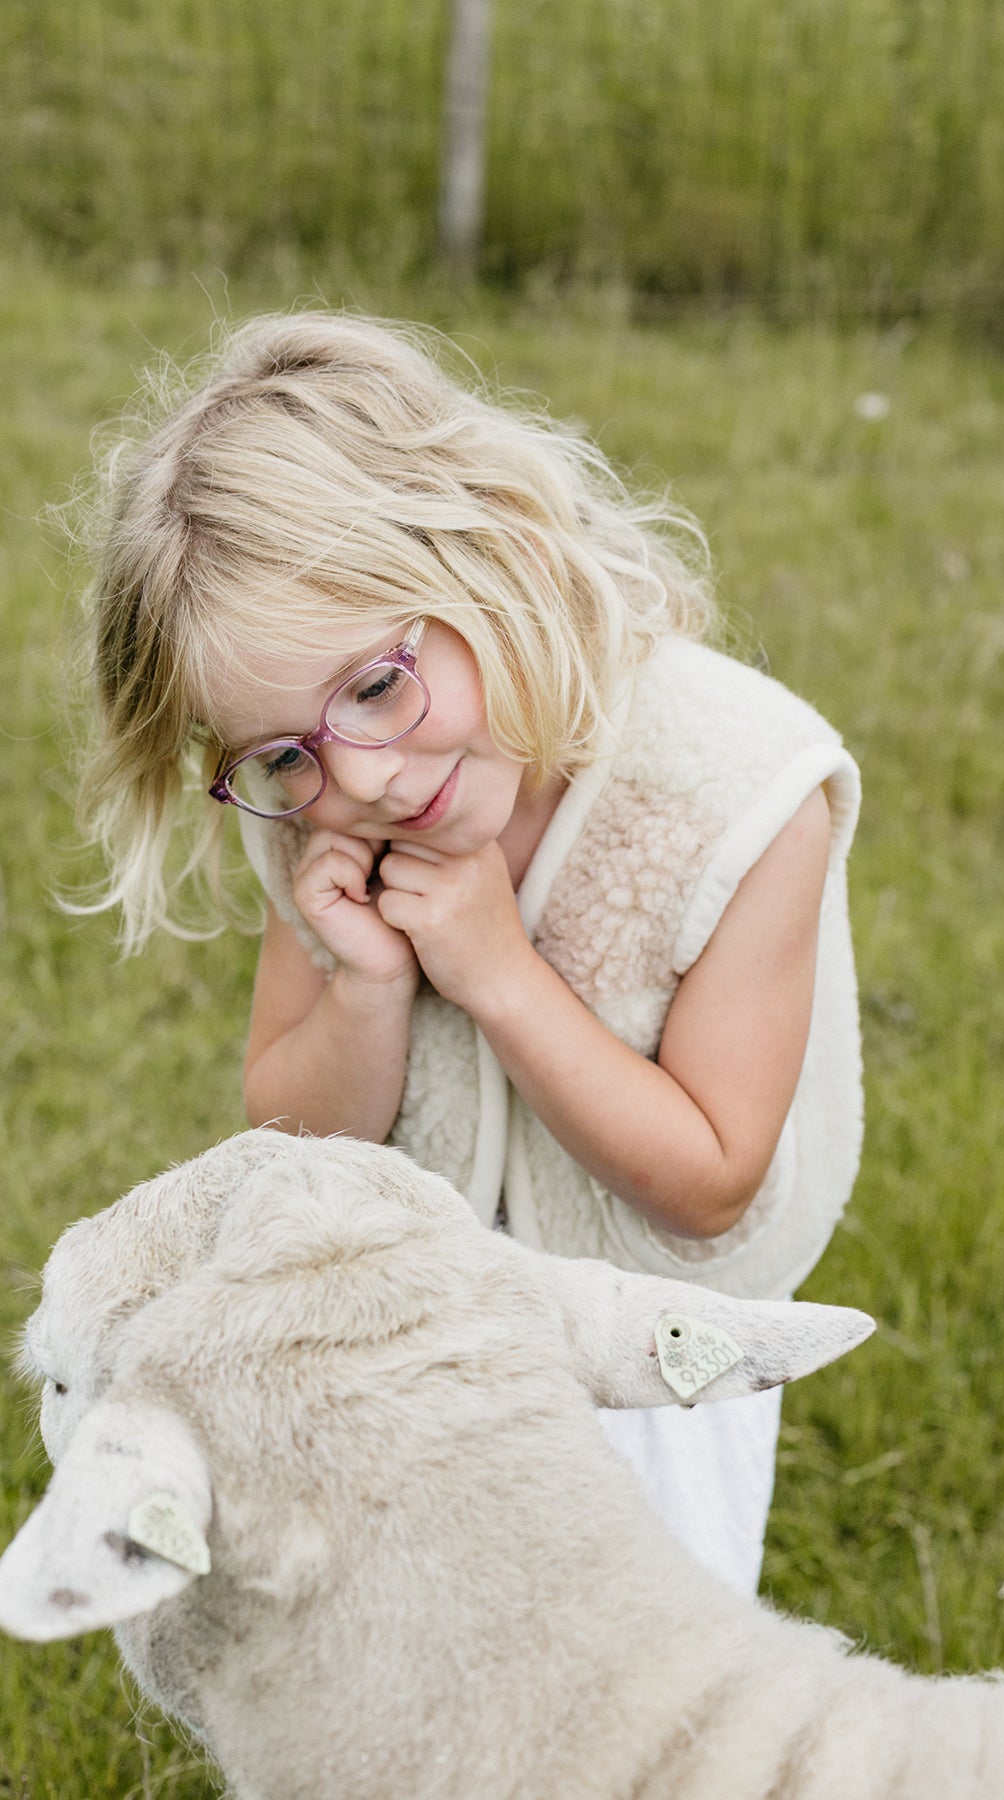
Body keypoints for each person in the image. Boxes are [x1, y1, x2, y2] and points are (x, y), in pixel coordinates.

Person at [74, 311, 863, 1597]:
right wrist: (367, 988)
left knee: (634, 1665)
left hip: (645, 1350)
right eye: (281, 757)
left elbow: (712, 1181)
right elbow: (289, 1123)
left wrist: (499, 974)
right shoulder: (317, 797)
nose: (367, 779)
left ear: (485, 552)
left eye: (379, 686)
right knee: (403, 1639)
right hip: (417, 1322)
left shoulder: (737, 794)